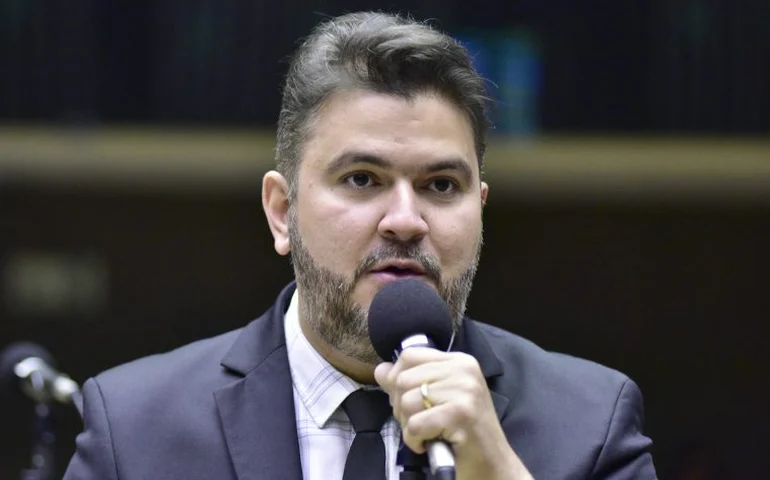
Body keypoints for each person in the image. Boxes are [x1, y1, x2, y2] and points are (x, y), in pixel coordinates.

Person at [64, 11, 656, 480]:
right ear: (282, 212)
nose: (405, 220)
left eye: (441, 185)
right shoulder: (136, 427)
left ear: (480, 211)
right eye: (362, 179)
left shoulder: (590, 423)